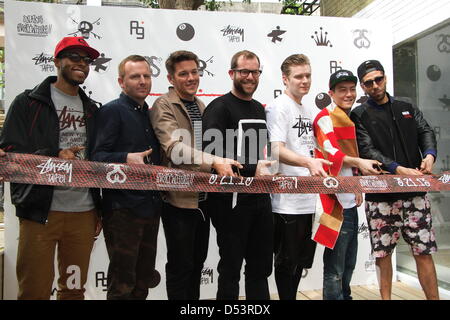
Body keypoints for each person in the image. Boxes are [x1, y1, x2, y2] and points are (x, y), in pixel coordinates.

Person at [0, 36, 102, 300]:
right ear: (57, 61)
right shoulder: (28, 103)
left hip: (83, 213)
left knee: (73, 291)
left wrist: (100, 209)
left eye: (87, 59)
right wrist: (54, 156)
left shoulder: (92, 109)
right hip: (40, 212)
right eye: (75, 57)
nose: (82, 64)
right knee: (34, 291)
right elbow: (10, 154)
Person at [150, 50, 240, 300]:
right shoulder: (163, 105)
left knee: (197, 264)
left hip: (203, 200)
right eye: (183, 74)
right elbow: (175, 149)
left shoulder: (201, 106)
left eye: (194, 72)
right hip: (178, 201)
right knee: (180, 267)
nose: (191, 78)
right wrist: (214, 161)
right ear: (170, 78)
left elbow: (209, 147)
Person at [350, 60, 439, 300]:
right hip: (381, 196)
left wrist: (429, 155)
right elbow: (367, 150)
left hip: (415, 193)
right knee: (382, 254)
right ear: (362, 86)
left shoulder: (406, 105)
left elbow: (425, 131)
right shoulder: (358, 114)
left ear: (385, 78)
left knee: (423, 251)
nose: (375, 85)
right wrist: (397, 169)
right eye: (369, 83)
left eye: (378, 79)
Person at [202, 50, 274, 300]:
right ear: (232, 73)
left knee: (261, 268)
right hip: (229, 204)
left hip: (260, 201)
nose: (250, 76)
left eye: (255, 72)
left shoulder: (258, 108)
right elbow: (212, 152)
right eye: (244, 71)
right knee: (231, 269)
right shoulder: (218, 107)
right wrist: (254, 169)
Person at [91, 55, 161, 300]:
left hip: (151, 208)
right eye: (135, 77)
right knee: (122, 283)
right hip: (122, 210)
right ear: (121, 82)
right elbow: (96, 158)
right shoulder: (111, 111)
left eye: (146, 76)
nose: (142, 81)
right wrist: (125, 158)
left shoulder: (151, 114)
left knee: (142, 282)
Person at [265, 54, 330, 300]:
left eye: (308, 75)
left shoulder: (305, 107)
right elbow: (276, 150)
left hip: (308, 199)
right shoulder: (279, 106)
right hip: (286, 202)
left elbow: (308, 148)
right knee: (286, 263)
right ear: (285, 79)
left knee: (300, 263)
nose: (304, 81)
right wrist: (308, 162)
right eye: (298, 76)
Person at [313, 70, 381, 300]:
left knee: (349, 263)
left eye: (352, 89)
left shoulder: (352, 118)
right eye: (342, 89)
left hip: (350, 201)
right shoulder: (324, 116)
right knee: (335, 268)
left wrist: (357, 183)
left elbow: (349, 156)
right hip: (334, 202)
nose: (349, 94)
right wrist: (360, 164)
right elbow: (332, 153)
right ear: (331, 93)